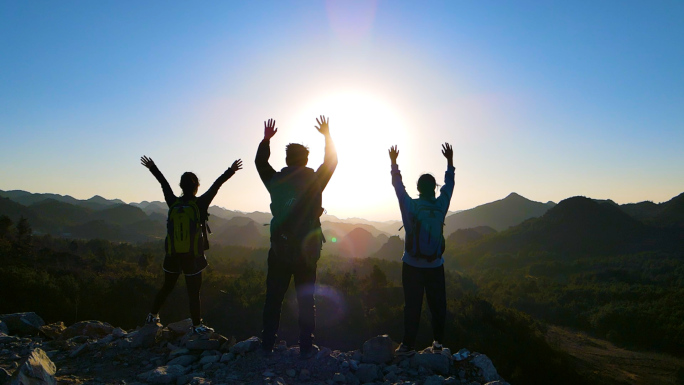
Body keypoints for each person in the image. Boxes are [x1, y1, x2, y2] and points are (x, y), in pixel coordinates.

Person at [255, 116, 337, 358]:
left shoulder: (276, 181)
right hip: (307, 253)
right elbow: (332, 161)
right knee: (306, 299)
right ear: (306, 160)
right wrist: (327, 136)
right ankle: (305, 346)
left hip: (280, 249)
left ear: (287, 160)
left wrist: (266, 140)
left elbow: (260, 162)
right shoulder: (315, 181)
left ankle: (267, 343)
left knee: (274, 298)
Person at [140, 155, 243, 334]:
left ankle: (152, 315)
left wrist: (152, 167)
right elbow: (216, 185)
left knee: (167, 287)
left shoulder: (173, 202)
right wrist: (231, 170)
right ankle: (196, 326)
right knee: (193, 293)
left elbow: (163, 184)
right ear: (196, 186)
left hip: (172, 255)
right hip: (192, 257)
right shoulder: (200, 203)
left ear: (181, 186)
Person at [388, 143, 455, 355]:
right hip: (435, 265)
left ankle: (407, 345)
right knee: (438, 305)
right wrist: (450, 162)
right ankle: (438, 343)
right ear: (434, 188)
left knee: (412, 305)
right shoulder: (441, 205)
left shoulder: (412, 206)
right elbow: (450, 185)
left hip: (412, 264)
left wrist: (393, 163)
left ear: (418, 189)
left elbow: (398, 188)